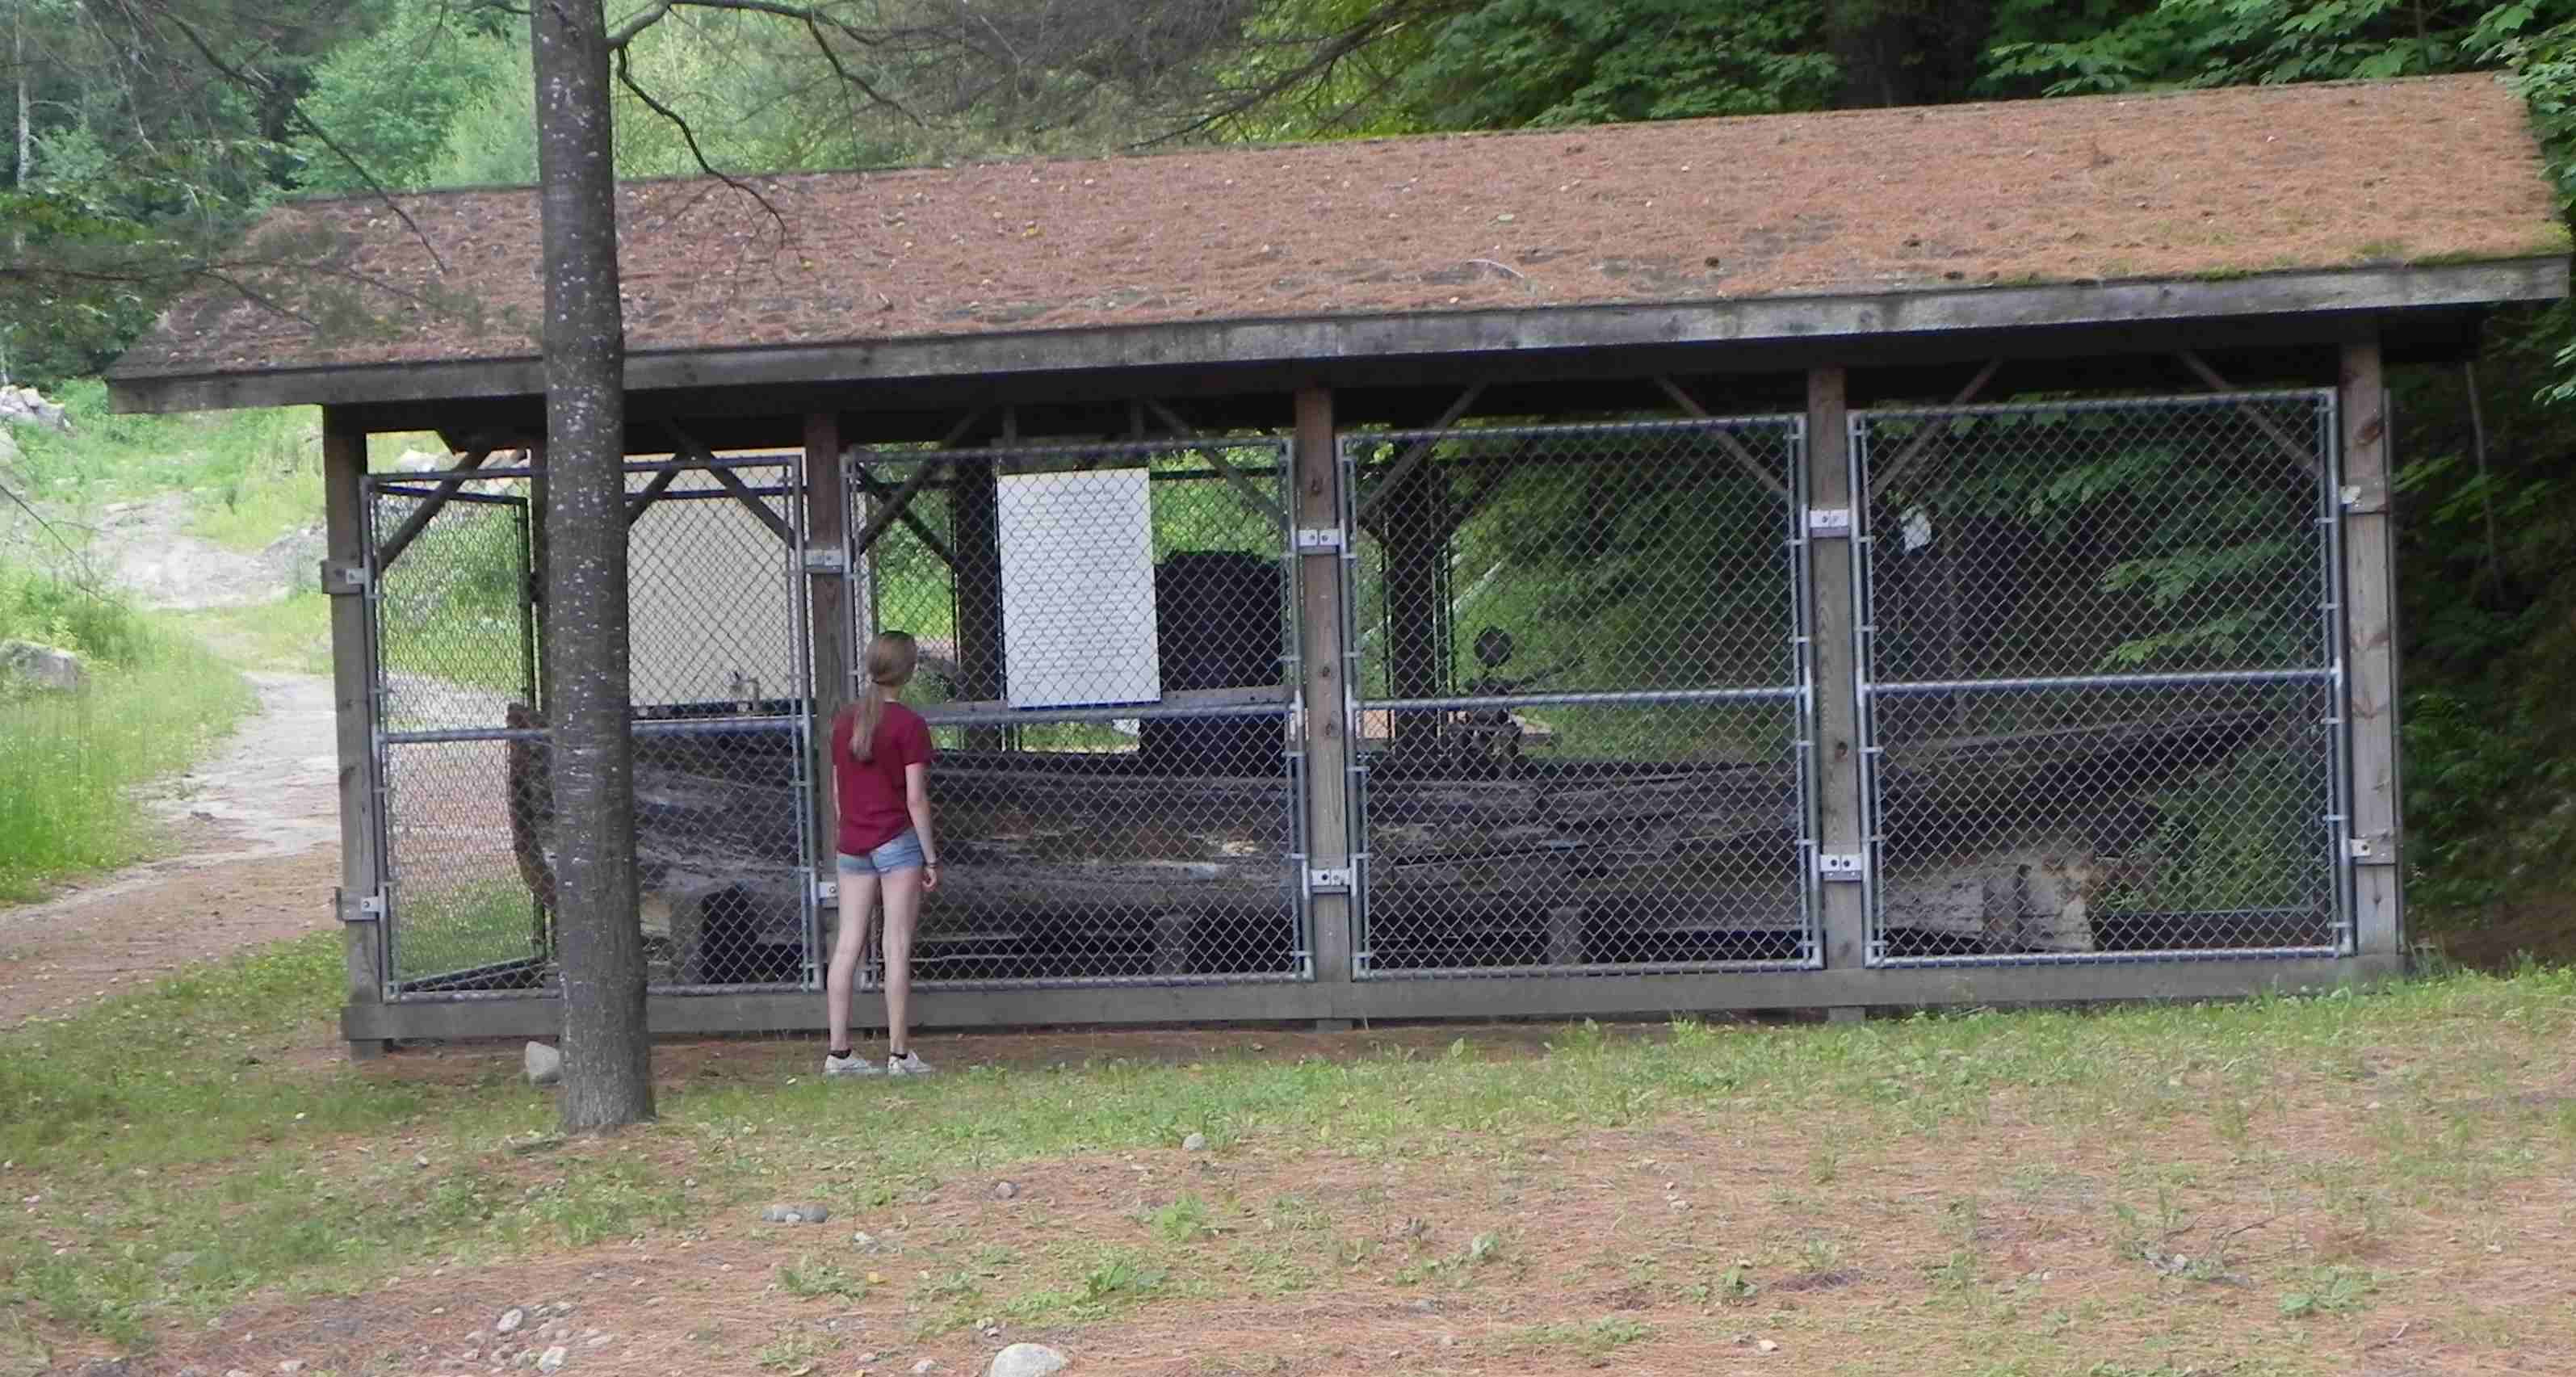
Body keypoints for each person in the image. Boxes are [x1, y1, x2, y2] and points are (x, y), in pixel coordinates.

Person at [824, 631, 942, 1077]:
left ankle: (839, 1054)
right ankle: (898, 1055)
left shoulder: (844, 722)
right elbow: (916, 798)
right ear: (909, 672)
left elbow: (838, 794)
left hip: (852, 843)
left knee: (848, 944)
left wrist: (850, 830)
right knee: (895, 945)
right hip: (896, 842)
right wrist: (930, 857)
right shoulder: (909, 726)